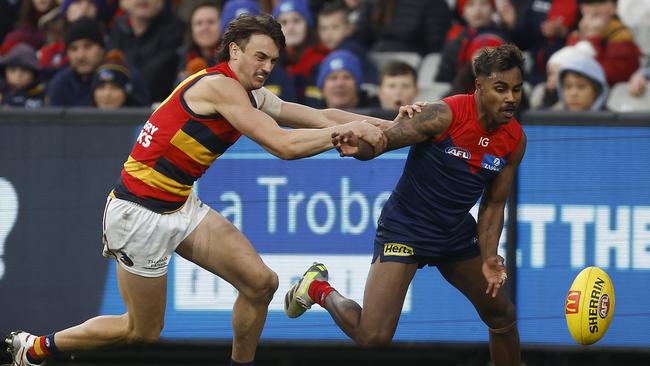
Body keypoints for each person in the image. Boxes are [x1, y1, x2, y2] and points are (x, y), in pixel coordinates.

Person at [4, 14, 388, 366]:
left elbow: (322, 115)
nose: (267, 67)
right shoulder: (219, 87)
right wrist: (346, 134)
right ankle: (36, 347)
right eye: (260, 57)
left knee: (261, 284)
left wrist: (396, 127)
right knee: (141, 331)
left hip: (180, 204)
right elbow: (283, 145)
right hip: (139, 215)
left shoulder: (248, 92)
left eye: (273, 60)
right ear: (234, 50)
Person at [285, 44, 526, 366]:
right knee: (373, 336)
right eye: (501, 88)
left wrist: (490, 256)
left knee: (502, 314)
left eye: (517, 89)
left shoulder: (515, 139)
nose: (510, 98)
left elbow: (494, 205)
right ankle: (318, 288)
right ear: (479, 86)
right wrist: (360, 148)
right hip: (406, 229)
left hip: (455, 232)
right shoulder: (443, 115)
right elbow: (384, 141)